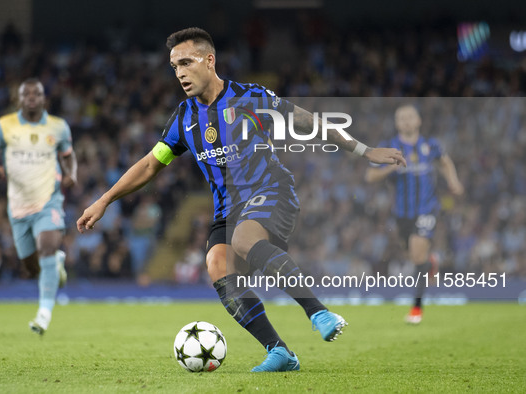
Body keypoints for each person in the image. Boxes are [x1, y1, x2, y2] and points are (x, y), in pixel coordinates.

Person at [77, 28, 406, 372]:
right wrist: (105, 200)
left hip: (272, 191)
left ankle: (318, 312)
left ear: (209, 60)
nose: (180, 73)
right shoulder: (183, 118)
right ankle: (279, 352)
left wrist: (366, 150)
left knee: (244, 239)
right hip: (227, 210)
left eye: (186, 63)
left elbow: (309, 123)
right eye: (174, 67)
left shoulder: (251, 98)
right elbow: (149, 164)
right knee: (218, 266)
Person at [0, 78, 77, 335]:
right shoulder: (3, 126)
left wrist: (71, 174)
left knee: (47, 246)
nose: (32, 97)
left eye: (37, 93)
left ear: (44, 98)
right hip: (19, 206)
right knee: (32, 266)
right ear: (19, 99)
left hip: (48, 200)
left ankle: (43, 314)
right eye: (27, 94)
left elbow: (68, 156)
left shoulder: (58, 127)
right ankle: (56, 265)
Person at [365, 104, 463, 324]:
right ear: (397, 123)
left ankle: (416, 308)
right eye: (402, 118)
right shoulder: (388, 146)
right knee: (413, 254)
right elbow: (370, 176)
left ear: (419, 121)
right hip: (401, 213)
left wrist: (453, 181)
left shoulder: (431, 145)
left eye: (411, 117)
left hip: (427, 208)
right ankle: (430, 261)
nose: (407, 121)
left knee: (417, 254)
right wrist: (391, 167)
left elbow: (446, 163)